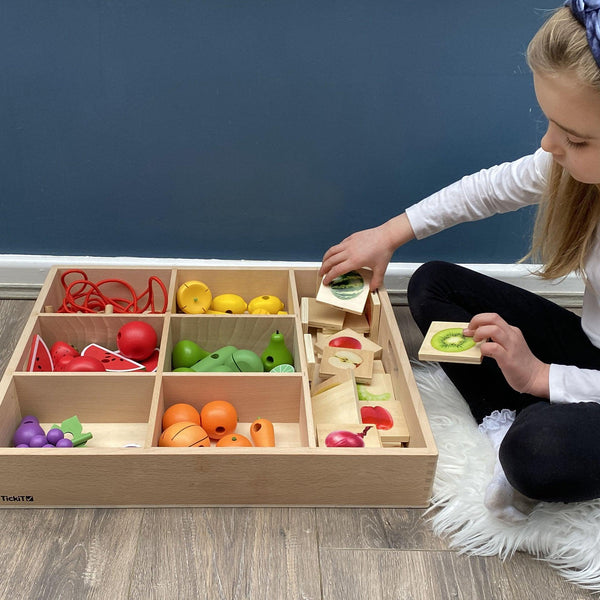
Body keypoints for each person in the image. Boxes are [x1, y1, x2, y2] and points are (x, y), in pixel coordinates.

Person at [319, 1, 600, 523]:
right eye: (549, 123)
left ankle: (529, 427)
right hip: (591, 349)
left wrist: (543, 377)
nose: (548, 143)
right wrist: (388, 235)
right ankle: (504, 419)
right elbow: (489, 189)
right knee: (434, 284)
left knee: (537, 453)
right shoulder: (569, 165)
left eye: (575, 138)